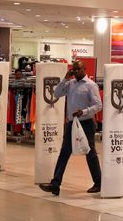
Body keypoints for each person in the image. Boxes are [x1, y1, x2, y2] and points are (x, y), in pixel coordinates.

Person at [38, 60, 102, 196]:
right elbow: (56, 93)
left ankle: (98, 183)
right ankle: (55, 184)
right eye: (74, 69)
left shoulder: (91, 85)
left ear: (84, 69)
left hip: (86, 123)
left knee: (90, 153)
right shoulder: (70, 84)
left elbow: (98, 105)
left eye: (78, 69)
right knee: (64, 152)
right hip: (72, 123)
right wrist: (65, 78)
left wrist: (84, 111)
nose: (75, 71)